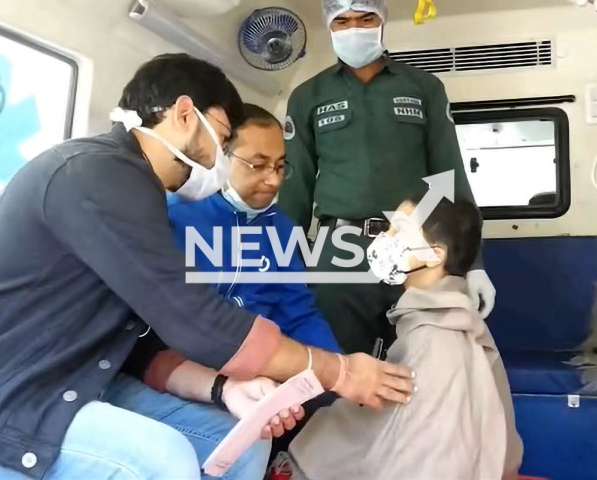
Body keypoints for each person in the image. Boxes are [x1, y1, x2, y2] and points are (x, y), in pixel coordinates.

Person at [0, 54, 414, 480]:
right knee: (166, 459)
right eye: (221, 138)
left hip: (94, 378)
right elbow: (196, 320)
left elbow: (136, 341)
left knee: (243, 444)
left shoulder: (140, 190)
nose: (219, 158)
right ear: (184, 114)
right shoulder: (96, 176)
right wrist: (338, 372)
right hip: (26, 395)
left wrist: (226, 390)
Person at [279, 0, 497, 356]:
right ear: (329, 28)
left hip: (417, 245)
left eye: (366, 19)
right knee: (339, 363)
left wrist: (473, 264)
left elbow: (451, 175)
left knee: (422, 362)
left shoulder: (424, 87)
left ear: (382, 22)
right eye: (342, 22)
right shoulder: (307, 97)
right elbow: (294, 189)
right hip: (339, 250)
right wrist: (285, 266)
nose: (354, 29)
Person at [287, 193, 523, 480]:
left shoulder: (436, 342)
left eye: (398, 231)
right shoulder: (442, 317)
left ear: (435, 255)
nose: (384, 238)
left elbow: (424, 459)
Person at [167, 104, 341, 353]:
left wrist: (341, 371)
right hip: (190, 366)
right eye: (258, 165)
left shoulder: (281, 229)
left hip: (262, 362)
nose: (274, 181)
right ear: (219, 158)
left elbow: (299, 315)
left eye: (280, 166)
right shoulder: (174, 218)